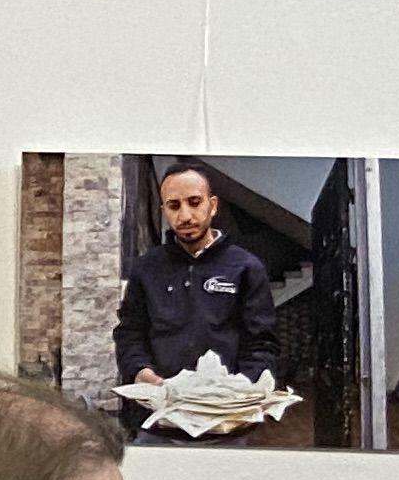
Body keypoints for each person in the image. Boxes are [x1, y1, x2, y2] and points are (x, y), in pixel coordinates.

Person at [113, 168, 280, 432]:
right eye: (174, 206)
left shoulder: (246, 267)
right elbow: (129, 333)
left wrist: (242, 390)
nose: (185, 215)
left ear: (212, 206)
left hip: (228, 416)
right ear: (164, 210)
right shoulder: (146, 269)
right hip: (161, 414)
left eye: (194, 202)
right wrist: (141, 372)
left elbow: (262, 342)